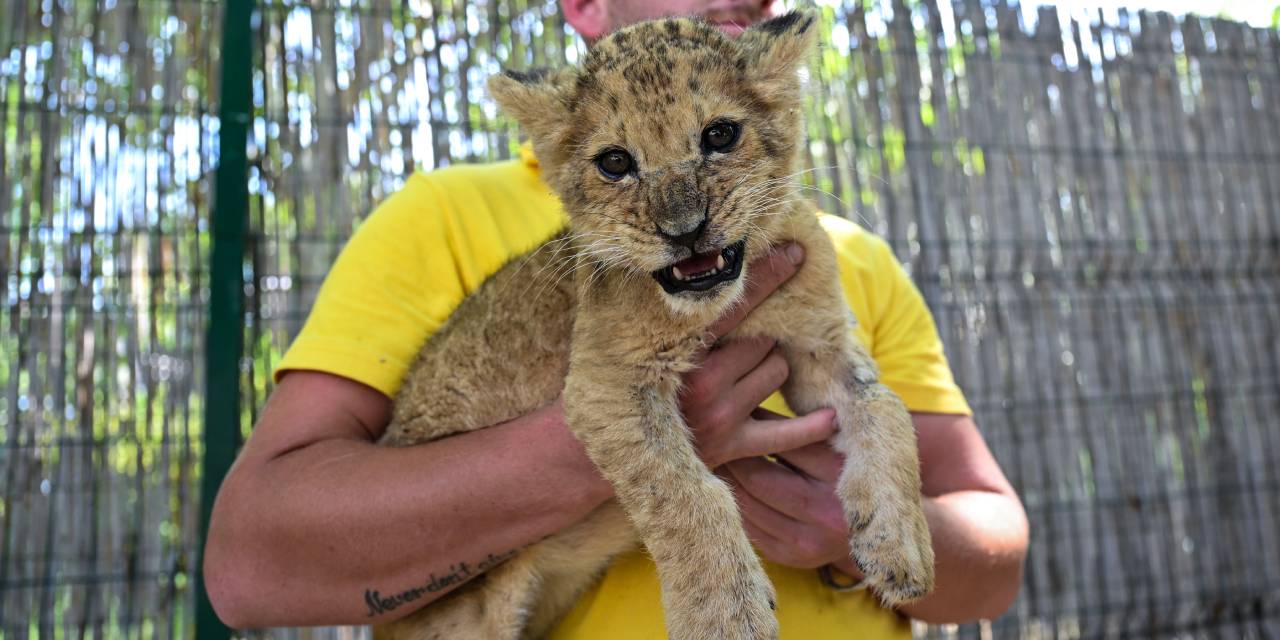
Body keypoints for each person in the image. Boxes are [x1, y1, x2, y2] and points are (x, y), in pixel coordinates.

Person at [202, 0, 1029, 636]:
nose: (680, 216)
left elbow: (996, 560)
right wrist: (648, 454)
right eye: (615, 164)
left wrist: (852, 533)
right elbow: (247, 570)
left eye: (720, 135)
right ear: (584, 6)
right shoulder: (440, 221)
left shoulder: (847, 254)